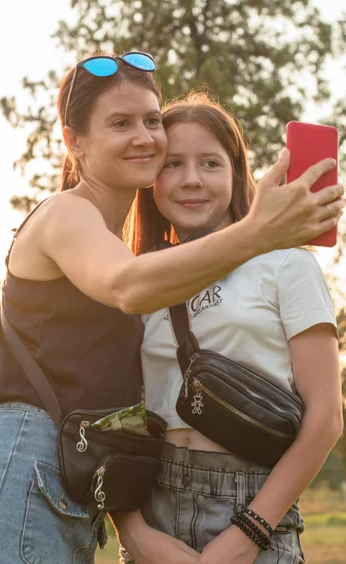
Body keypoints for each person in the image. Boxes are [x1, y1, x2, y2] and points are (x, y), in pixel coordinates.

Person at [0, 52, 343, 564]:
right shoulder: (70, 218)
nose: (143, 137)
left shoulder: (125, 251)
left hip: (74, 492)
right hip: (25, 476)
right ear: (74, 142)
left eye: (151, 120)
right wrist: (258, 231)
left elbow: (120, 409)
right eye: (119, 123)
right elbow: (128, 289)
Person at [117, 92, 343, 564]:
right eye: (172, 164)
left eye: (210, 163)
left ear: (239, 174)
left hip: (258, 509)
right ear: (150, 181)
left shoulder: (287, 265)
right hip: (154, 513)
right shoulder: (135, 279)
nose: (192, 180)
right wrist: (132, 531)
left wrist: (247, 535)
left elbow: (325, 417)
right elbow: (113, 416)